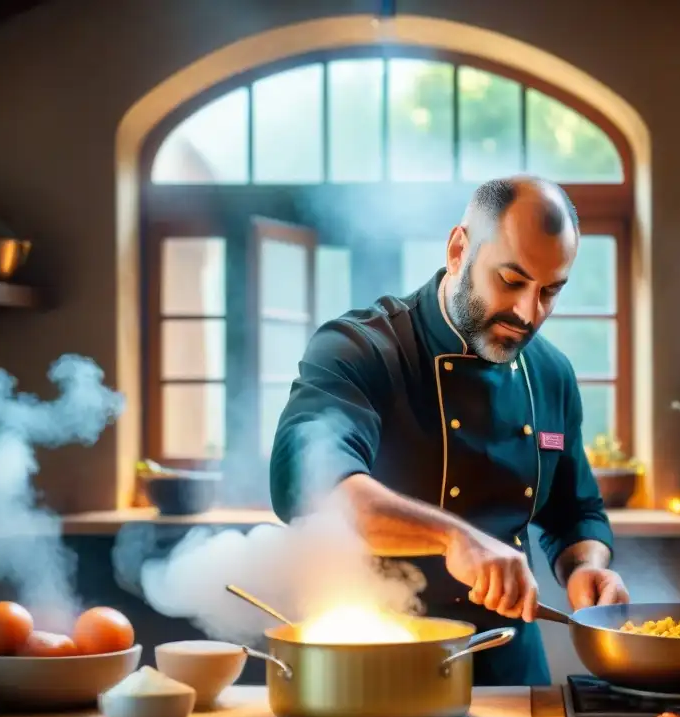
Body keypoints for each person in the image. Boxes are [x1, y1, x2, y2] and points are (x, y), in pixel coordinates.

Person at [269, 175, 629, 686]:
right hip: (380, 662)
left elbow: (576, 512)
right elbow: (309, 488)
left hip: (512, 668)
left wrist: (585, 569)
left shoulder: (551, 372)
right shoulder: (360, 349)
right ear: (460, 249)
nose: (530, 313)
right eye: (511, 280)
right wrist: (455, 538)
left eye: (550, 291)